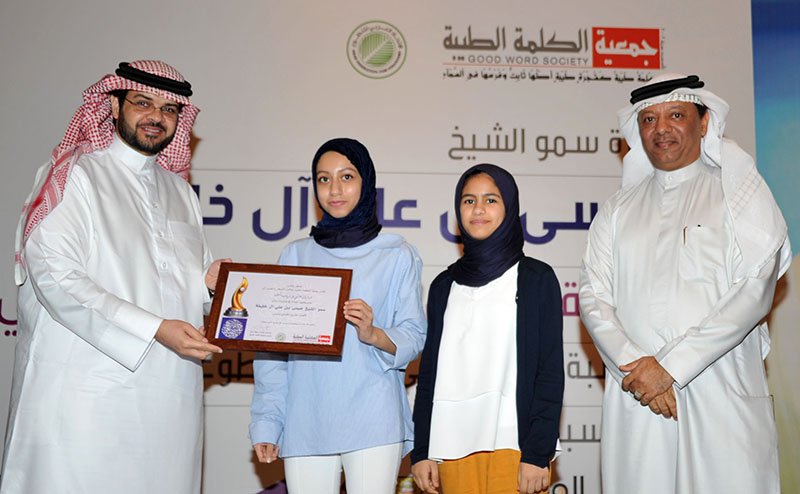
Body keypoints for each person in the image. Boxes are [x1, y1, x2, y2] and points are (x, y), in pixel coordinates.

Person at [1, 60, 225, 494]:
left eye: (169, 109)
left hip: (169, 398)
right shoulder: (76, 175)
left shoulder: (180, 191)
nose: (157, 117)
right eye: (143, 103)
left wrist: (210, 285)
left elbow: (182, 284)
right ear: (114, 105)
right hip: (85, 391)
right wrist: (155, 329)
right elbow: (55, 277)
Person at [579, 73, 789, 493]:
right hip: (638, 393)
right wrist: (639, 368)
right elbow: (593, 295)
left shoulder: (739, 195)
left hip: (719, 387)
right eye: (649, 119)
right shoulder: (617, 210)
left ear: (704, 122)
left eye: (676, 115)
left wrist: (671, 367)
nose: (661, 128)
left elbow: (755, 289)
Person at [249, 138, 427, 494]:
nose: (334, 189)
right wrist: (268, 421)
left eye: (346, 177)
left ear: (366, 182)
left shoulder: (397, 254)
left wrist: (373, 333)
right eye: (323, 179)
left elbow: (414, 334)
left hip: (374, 416)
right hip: (306, 416)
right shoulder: (295, 255)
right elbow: (272, 351)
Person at [411, 164, 563, 494]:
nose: (478, 209)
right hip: (450, 446)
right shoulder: (443, 286)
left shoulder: (536, 278)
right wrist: (421, 451)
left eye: (491, 200)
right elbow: (429, 375)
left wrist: (538, 453)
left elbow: (549, 372)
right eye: (469, 200)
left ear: (509, 208)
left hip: (515, 446)